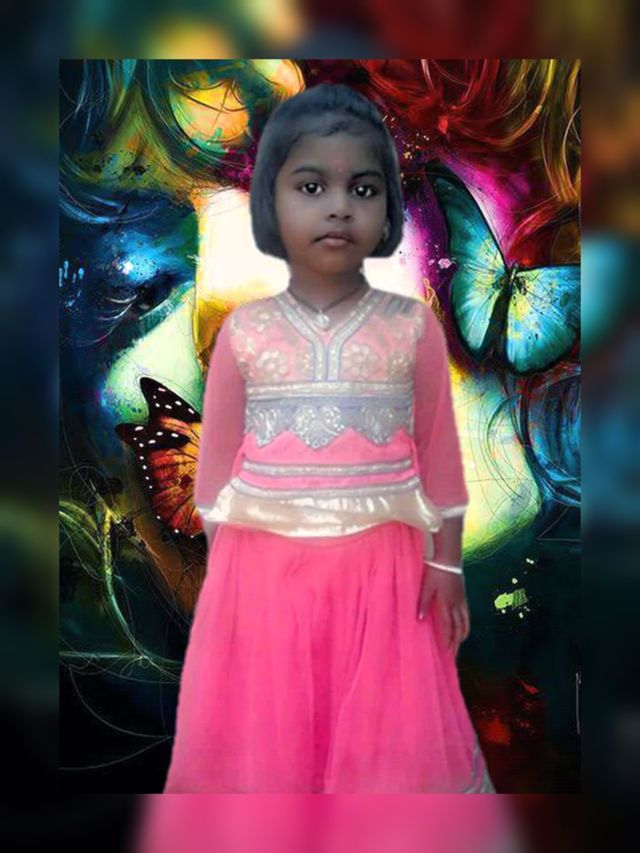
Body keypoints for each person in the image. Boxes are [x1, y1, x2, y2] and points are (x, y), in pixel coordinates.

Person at [163, 82, 495, 793]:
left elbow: (439, 457)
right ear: (272, 204)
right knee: (276, 742)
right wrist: (234, 584)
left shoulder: (411, 327)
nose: (339, 207)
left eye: (363, 189)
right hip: (266, 574)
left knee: (385, 748)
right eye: (311, 186)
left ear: (388, 209)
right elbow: (214, 473)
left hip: (386, 574)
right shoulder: (245, 331)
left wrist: (446, 566)